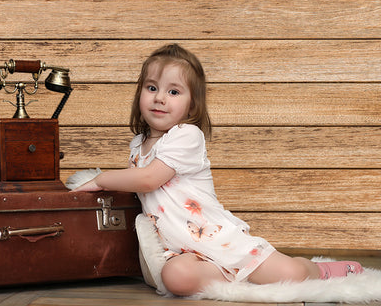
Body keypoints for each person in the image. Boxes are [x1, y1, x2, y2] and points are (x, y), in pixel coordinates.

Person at [73, 43, 363, 296]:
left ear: (191, 106)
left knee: (291, 276)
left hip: (216, 238)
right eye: (152, 88)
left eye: (173, 91)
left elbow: (149, 179)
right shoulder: (138, 144)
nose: (160, 98)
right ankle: (233, 281)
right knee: (175, 278)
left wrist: (100, 179)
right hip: (181, 249)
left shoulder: (186, 135)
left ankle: (319, 269)